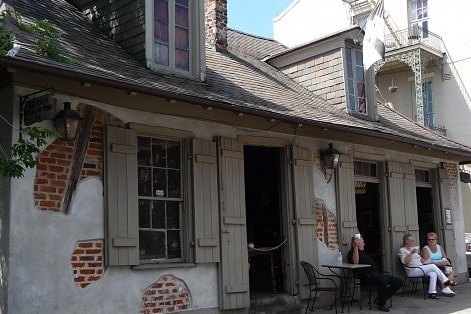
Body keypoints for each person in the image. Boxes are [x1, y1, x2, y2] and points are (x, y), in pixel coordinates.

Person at [348, 235, 403, 312]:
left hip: (376, 274)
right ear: (357, 244)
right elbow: (355, 262)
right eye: (363, 242)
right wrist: (356, 247)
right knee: (383, 280)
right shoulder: (352, 253)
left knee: (398, 281)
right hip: (366, 276)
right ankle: (381, 304)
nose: (364, 244)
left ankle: (380, 298)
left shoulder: (363, 253)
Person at [398, 233, 455, 299]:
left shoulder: (412, 249)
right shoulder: (402, 250)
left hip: (420, 268)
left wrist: (427, 261)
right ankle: (445, 281)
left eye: (413, 240)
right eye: (411, 240)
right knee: (432, 266)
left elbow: (420, 259)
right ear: (406, 241)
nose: (413, 242)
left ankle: (432, 293)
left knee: (433, 273)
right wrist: (411, 253)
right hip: (412, 270)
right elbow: (405, 262)